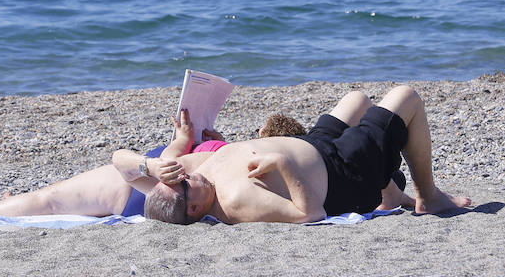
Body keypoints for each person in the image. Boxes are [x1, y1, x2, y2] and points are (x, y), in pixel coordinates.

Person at [123, 86, 470, 224]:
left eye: (178, 175)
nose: (184, 175)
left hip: (318, 145)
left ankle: (391, 194)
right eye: (182, 184)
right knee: (406, 96)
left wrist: (151, 164)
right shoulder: (235, 200)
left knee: (357, 98)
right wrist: (282, 163)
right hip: (342, 172)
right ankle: (428, 197)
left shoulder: (202, 177)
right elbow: (310, 214)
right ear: (195, 209)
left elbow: (119, 162)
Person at [0, 110, 323, 224]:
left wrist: (155, 165)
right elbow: (178, 153)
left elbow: (124, 160)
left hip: (141, 189)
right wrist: (184, 135)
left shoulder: (229, 159)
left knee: (51, 199)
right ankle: (10, 205)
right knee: (50, 197)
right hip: (153, 175)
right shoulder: (229, 149)